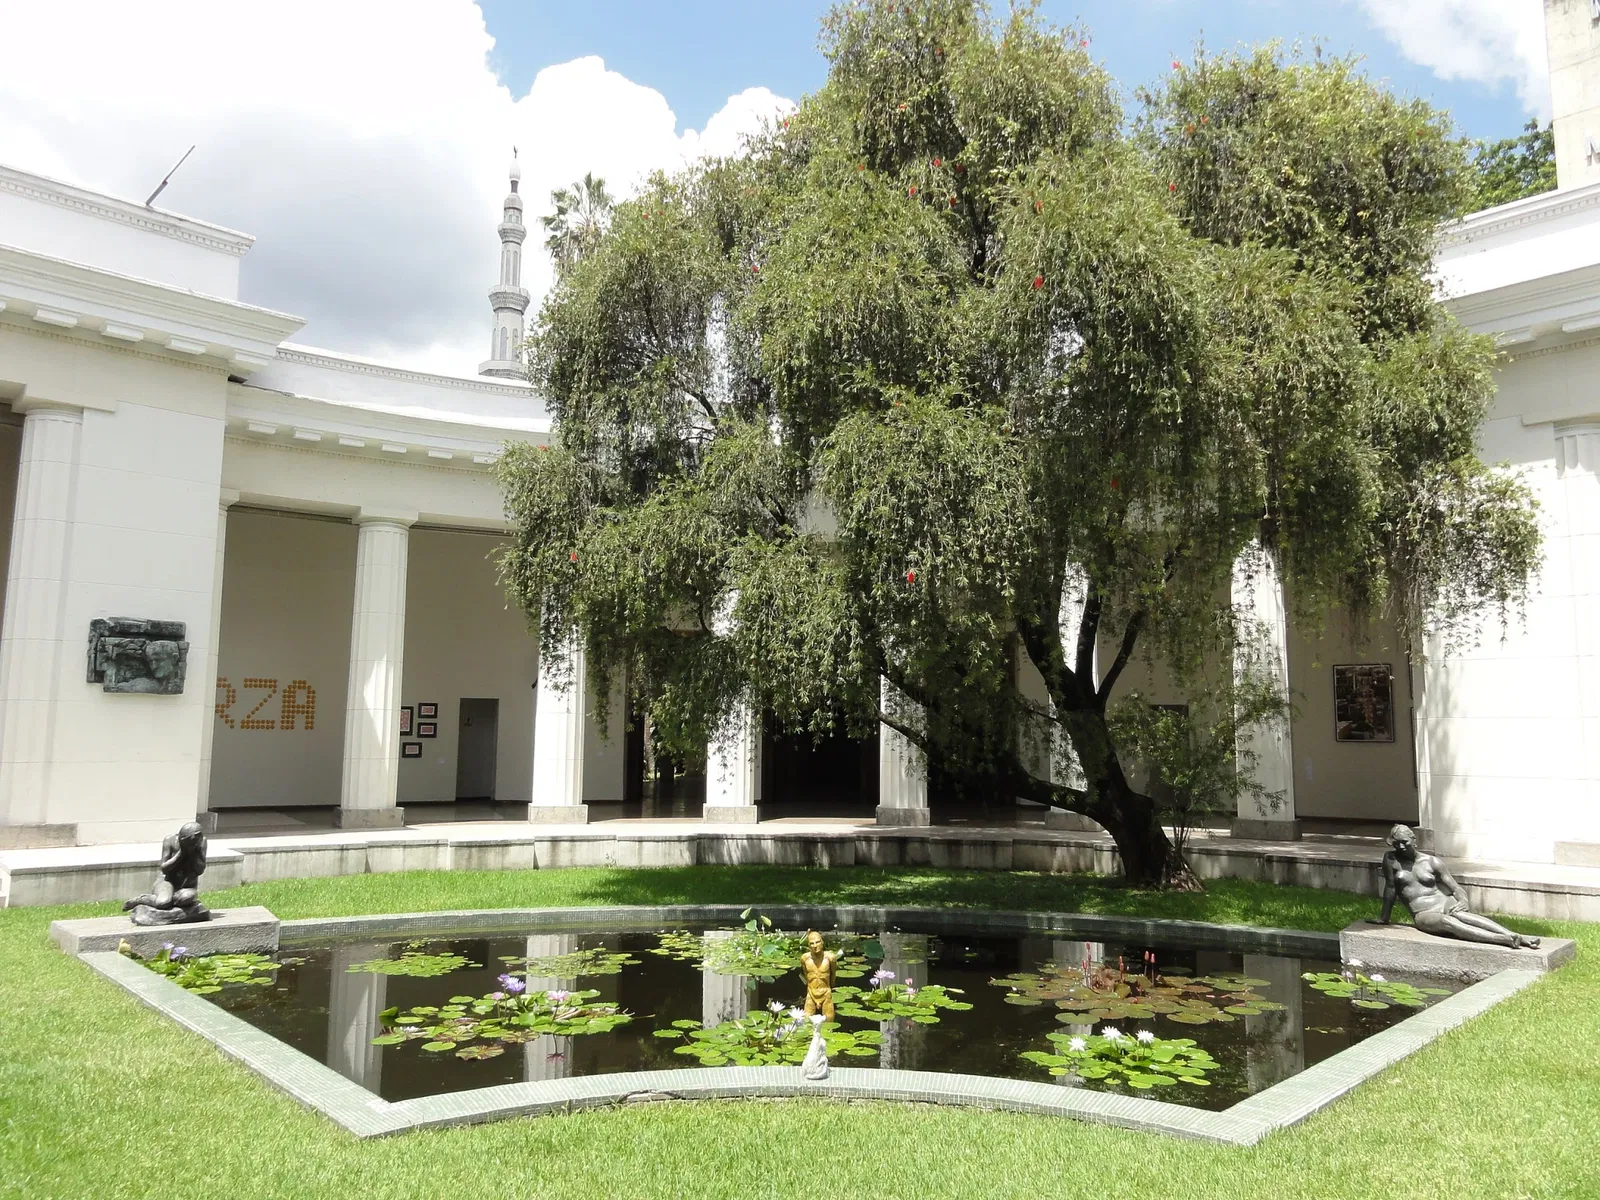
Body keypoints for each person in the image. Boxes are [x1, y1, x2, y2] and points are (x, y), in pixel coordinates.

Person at [1370, 824, 1539, 948]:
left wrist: (1463, 900)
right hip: (1423, 913)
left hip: (1444, 903)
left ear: (1414, 840)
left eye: (1404, 842)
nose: (1400, 847)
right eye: (1396, 843)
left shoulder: (1432, 862)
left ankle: (1517, 936)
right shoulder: (1391, 859)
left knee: (1463, 916)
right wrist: (1384, 918)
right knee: (1446, 921)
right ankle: (1502, 939)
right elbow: (1390, 888)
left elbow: (1456, 888)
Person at [800, 930, 837, 1021]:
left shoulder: (830, 958)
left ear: (822, 942)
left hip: (826, 992)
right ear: (809, 945)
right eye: (812, 943)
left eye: (817, 942)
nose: (815, 946)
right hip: (811, 993)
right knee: (806, 1022)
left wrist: (830, 988)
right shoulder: (804, 958)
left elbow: (833, 975)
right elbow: (806, 974)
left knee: (829, 1024)